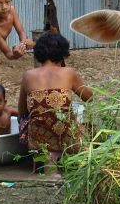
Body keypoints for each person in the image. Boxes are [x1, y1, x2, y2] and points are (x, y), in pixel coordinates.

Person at [18, 32, 93, 180]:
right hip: (67, 135)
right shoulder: (69, 73)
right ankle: (71, 154)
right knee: (84, 124)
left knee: (33, 119)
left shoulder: (28, 75)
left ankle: (48, 157)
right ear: (63, 54)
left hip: (38, 137)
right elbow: (89, 97)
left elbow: (22, 111)